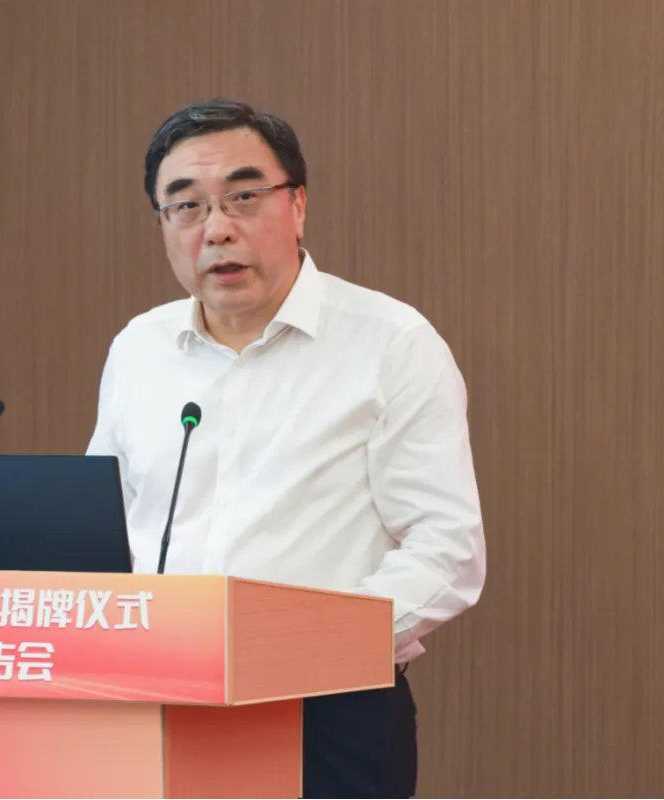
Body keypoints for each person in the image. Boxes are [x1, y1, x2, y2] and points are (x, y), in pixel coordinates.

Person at [85, 98, 486, 800]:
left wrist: (305, 646)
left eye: (243, 197)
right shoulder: (139, 349)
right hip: (155, 702)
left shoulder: (391, 343)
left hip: (326, 716)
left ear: (297, 206)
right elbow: (100, 529)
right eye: (186, 206)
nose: (217, 228)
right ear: (163, 226)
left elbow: (447, 550)